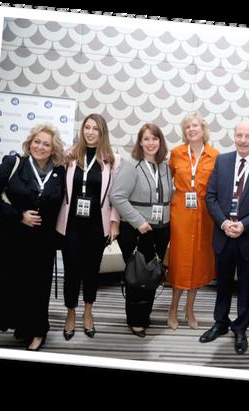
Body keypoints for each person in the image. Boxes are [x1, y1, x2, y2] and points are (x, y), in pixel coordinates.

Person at [202, 120, 249, 354]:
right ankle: (220, 323)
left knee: (245, 287)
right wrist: (224, 223)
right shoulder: (222, 161)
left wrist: (244, 225)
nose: (243, 140)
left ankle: (240, 329)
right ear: (234, 136)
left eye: (248, 136)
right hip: (223, 234)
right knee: (222, 284)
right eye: (239, 135)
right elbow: (211, 196)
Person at [0, 123, 65, 351]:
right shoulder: (14, 163)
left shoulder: (60, 172)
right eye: (37, 142)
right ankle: (23, 326)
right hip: (13, 237)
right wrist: (19, 215)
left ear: (53, 149)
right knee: (15, 284)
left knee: (38, 287)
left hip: (43, 241)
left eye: (46, 144)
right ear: (29, 143)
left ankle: (38, 331)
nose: (40, 147)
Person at [56, 113, 120, 340]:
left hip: (97, 225)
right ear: (82, 130)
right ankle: (70, 313)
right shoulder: (69, 154)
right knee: (71, 271)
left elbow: (116, 196)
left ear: (102, 133)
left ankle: (88, 312)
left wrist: (114, 222)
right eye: (87, 127)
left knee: (92, 271)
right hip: (71, 224)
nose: (90, 132)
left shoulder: (113, 159)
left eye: (95, 129)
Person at [110, 123, 173, 338]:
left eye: (154, 138)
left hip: (161, 230)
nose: (151, 143)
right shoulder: (131, 166)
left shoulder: (165, 167)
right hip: (137, 230)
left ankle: (144, 316)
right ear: (140, 142)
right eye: (146, 139)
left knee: (152, 275)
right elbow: (117, 196)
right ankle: (135, 320)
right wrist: (138, 222)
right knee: (137, 277)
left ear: (160, 142)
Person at [167, 113, 219, 330]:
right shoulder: (176, 153)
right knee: (179, 262)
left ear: (203, 129)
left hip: (204, 214)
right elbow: (166, 179)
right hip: (180, 213)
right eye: (187, 126)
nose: (191, 129)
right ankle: (172, 308)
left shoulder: (215, 156)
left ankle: (189, 309)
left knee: (198, 263)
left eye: (195, 125)